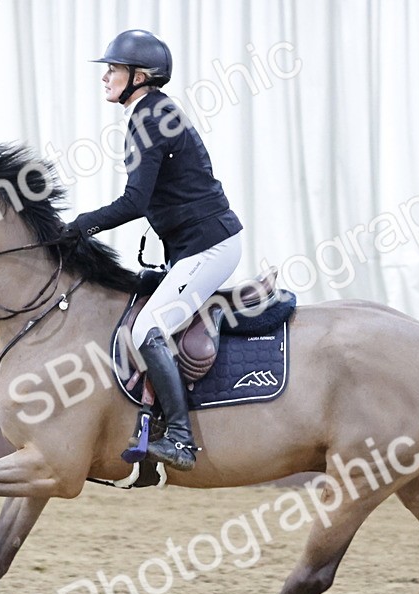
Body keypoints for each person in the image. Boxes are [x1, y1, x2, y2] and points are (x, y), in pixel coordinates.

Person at [62, 29, 244, 472]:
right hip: (195, 245)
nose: (105, 77)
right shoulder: (151, 112)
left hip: (209, 246)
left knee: (146, 330)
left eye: (113, 69)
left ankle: (180, 438)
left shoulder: (149, 119)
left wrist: (80, 227)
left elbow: (134, 202)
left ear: (139, 77)